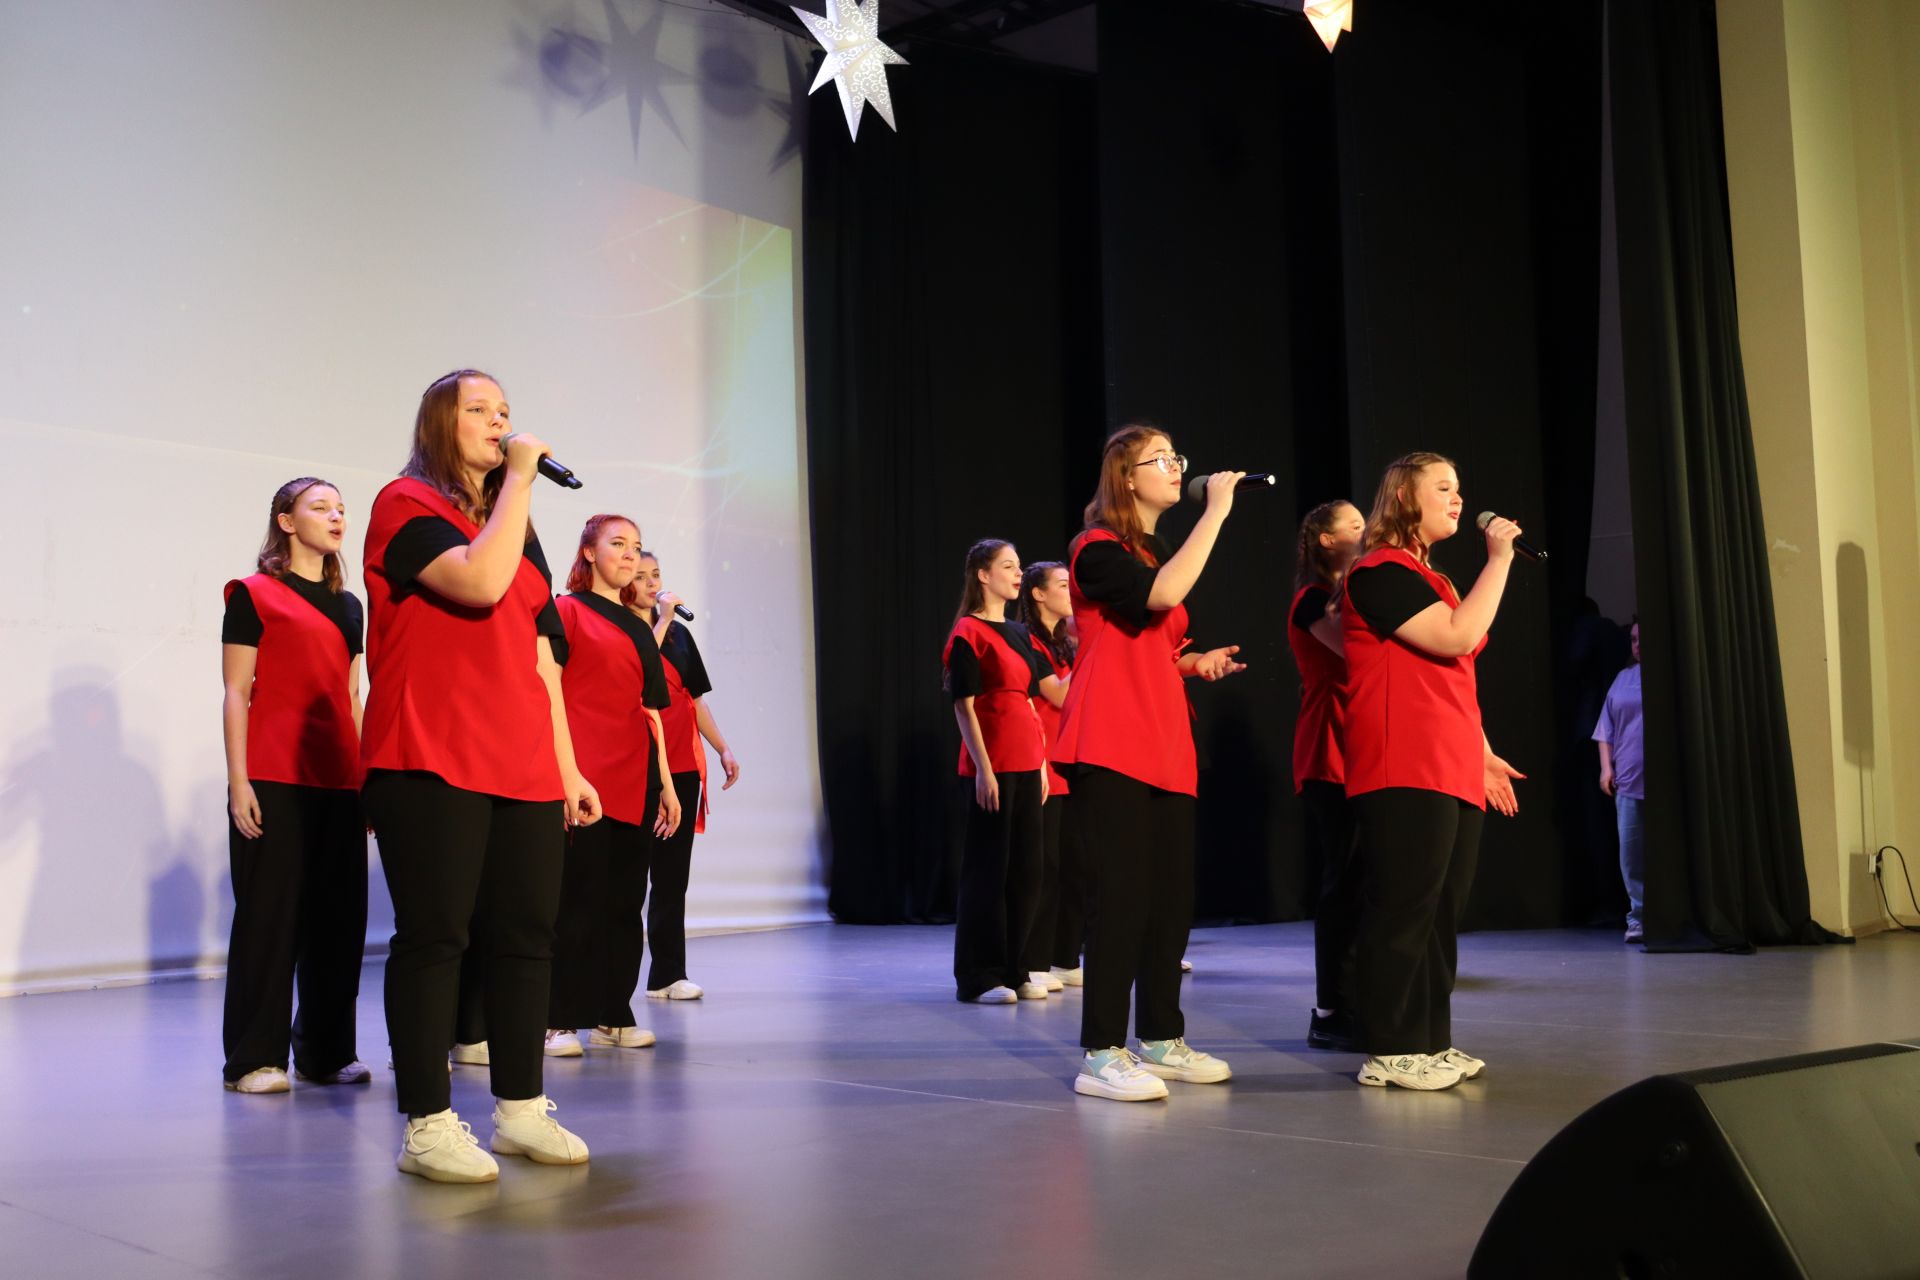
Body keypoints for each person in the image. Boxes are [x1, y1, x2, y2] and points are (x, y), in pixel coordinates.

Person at [360, 369, 600, 1182]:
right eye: (480, 410)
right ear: (441, 423)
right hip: (430, 747)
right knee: (436, 937)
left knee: (529, 933)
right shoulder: (405, 504)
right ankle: (428, 1123)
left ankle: (521, 1110)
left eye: (506, 412)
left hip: (523, 753)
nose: (500, 422)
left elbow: (542, 655)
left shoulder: (512, 517)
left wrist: (566, 764)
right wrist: (523, 479)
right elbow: (478, 581)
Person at [1054, 425, 1246, 1102]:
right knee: (1122, 899)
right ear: (1125, 477)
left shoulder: (1150, 552)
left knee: (1171, 899)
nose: (1176, 469)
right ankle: (1102, 1050)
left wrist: (1193, 662)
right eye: (1161, 460)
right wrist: (1216, 510)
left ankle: (1161, 1037)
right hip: (1111, 740)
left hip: (1165, 739)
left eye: (1178, 459)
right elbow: (1160, 597)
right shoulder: (1094, 550)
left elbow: (1153, 639)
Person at [1341, 451, 1525, 1091]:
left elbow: (1454, 673)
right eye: (1442, 488)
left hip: (1448, 759)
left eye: (1459, 487)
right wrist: (1499, 559)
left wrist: (1481, 749)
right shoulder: (1377, 572)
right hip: (1403, 760)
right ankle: (1389, 1047)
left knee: (1443, 907)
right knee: (1404, 907)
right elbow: (1452, 638)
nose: (1457, 499)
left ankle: (1429, 1040)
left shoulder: (1438, 580)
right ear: (1403, 498)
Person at [219, 477, 369, 1094]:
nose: (336, 517)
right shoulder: (254, 594)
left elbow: (352, 694)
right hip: (274, 775)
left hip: (337, 778)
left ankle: (325, 1053)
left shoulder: (350, 604)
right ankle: (255, 1058)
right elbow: (236, 691)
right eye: (319, 507)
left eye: (340, 509)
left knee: (339, 920)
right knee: (268, 918)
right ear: (285, 521)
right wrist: (238, 780)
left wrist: (365, 777)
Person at [545, 515, 682, 1058]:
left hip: (636, 777)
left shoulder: (636, 623)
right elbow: (547, 693)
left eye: (637, 548)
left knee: (626, 905)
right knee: (575, 901)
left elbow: (650, 711)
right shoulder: (565, 610)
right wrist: (563, 774)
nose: (629, 556)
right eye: (617, 544)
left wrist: (667, 784)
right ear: (588, 552)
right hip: (584, 776)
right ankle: (556, 1020)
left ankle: (612, 1012)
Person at [944, 540, 1053, 1004]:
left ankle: (1017, 968)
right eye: (1008, 566)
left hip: (1028, 763)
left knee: (1027, 871)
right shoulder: (967, 632)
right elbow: (964, 708)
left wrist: (1043, 763)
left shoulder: (1019, 632)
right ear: (983, 575)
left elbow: (1035, 698)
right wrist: (984, 770)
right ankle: (979, 975)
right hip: (992, 766)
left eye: (1019, 566)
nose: (1018, 573)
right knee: (988, 871)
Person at [632, 551, 740, 1001]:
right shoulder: (625, 631)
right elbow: (639, 673)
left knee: (672, 877)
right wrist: (660, 622)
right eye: (641, 576)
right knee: (629, 879)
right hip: (638, 771)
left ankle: (667, 974)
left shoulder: (679, 635)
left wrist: (723, 748)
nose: (653, 583)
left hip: (682, 769)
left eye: (656, 574)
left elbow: (695, 701)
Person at [1287, 499, 1366, 1052]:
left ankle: (1359, 998)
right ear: (1324, 540)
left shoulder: (1348, 595)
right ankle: (1330, 1009)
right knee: (1344, 879)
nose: (1367, 533)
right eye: (1357, 526)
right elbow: (1356, 654)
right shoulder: (1313, 600)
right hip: (1330, 746)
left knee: (1364, 879)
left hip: (1363, 745)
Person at [1015, 562, 1084, 991]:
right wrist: (1097, 650)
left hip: (1073, 758)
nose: (1071, 592)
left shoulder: (1067, 642)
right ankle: (1033, 958)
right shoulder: (1029, 640)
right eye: (1062, 585)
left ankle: (1064, 955)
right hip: (1044, 760)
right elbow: (1057, 693)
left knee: (1074, 864)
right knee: (1045, 864)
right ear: (1038, 594)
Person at [1594, 619, 1644, 943]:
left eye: (1643, 639)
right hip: (1628, 780)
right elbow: (1605, 730)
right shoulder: (1623, 679)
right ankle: (1639, 918)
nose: (1638, 644)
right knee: (1632, 854)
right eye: (1634, 639)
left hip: (1666, 785)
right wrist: (1605, 769)